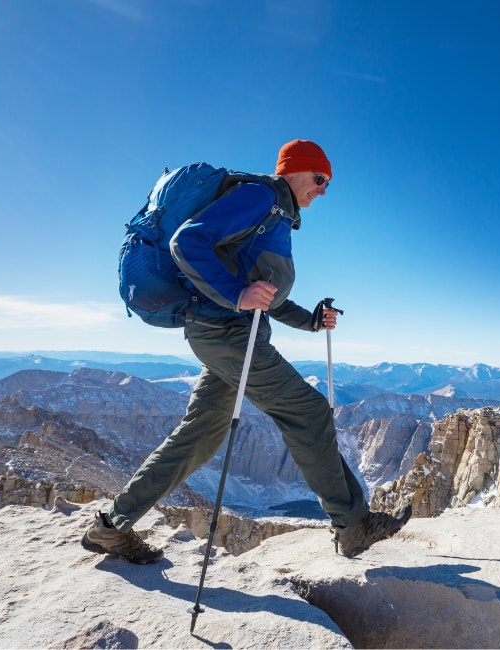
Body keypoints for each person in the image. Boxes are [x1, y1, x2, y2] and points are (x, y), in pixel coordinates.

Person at [82, 139, 411, 564]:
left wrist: (310, 321)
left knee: (199, 436)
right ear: (293, 169)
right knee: (308, 412)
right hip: (227, 335)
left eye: (327, 183)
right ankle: (353, 525)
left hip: (224, 334)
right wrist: (237, 295)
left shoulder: (276, 213)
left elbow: (263, 293)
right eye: (319, 178)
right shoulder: (261, 197)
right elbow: (187, 242)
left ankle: (111, 527)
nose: (323, 190)